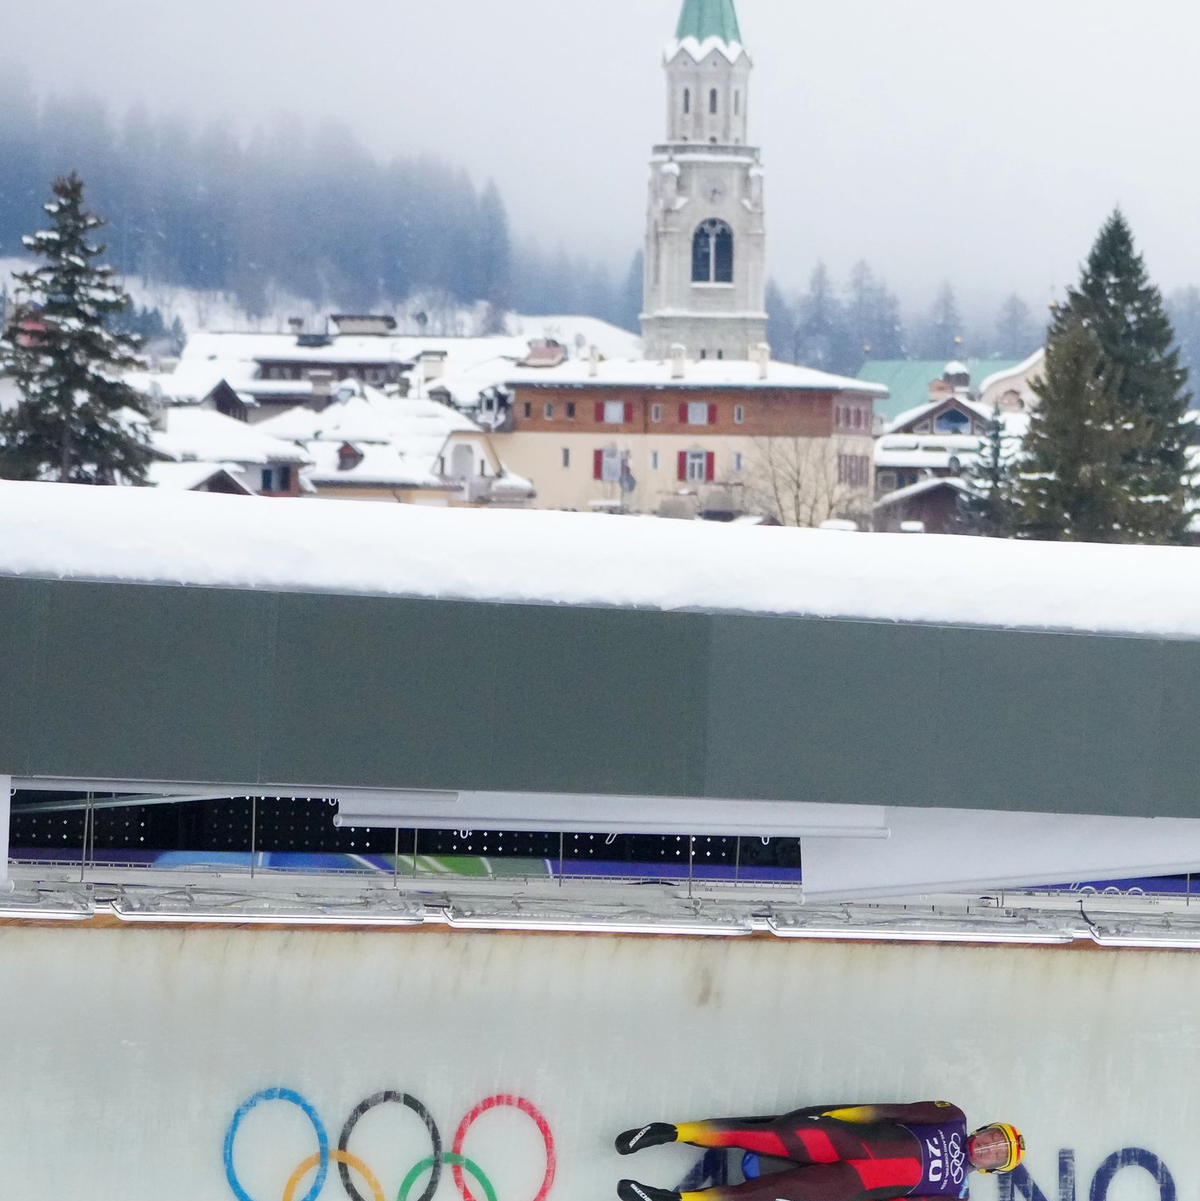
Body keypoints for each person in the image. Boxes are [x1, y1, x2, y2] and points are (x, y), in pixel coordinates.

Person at [615, 1101, 1024, 1201]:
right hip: (847, 1140)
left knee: (774, 1190)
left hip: (849, 1184)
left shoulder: (952, 1193)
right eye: (996, 1138)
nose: (990, 1148)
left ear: (992, 1169)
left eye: (998, 1154)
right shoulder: (952, 1117)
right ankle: (668, 1132)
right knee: (765, 1137)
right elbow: (890, 1110)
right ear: (986, 1130)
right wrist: (834, 1114)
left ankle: (675, 1199)